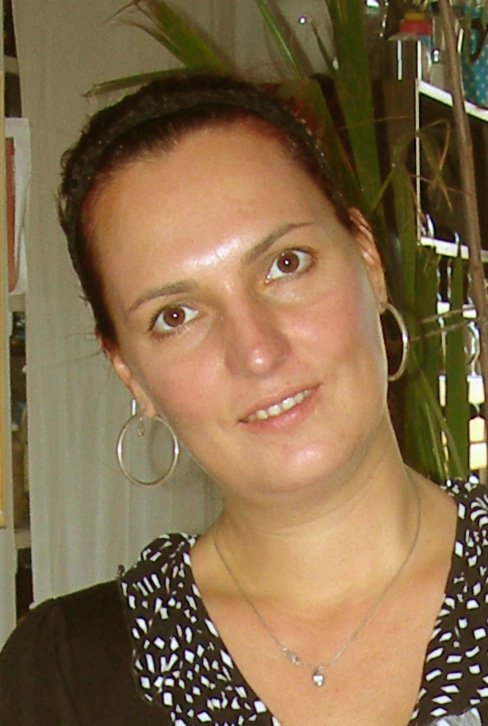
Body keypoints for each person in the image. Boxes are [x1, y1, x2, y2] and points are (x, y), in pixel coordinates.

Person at [0, 73, 487, 726]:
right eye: (176, 315)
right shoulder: (65, 677)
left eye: (286, 264)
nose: (257, 350)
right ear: (130, 373)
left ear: (369, 261)